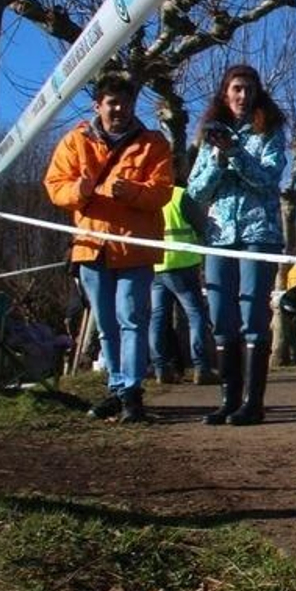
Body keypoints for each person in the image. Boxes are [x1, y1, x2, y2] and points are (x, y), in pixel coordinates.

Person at [43, 72, 174, 422]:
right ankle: (116, 389)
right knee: (106, 323)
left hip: (134, 248)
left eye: (126, 103)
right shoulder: (75, 142)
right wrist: (80, 191)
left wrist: (130, 192)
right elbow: (55, 186)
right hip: (91, 246)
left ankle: (132, 391)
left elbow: (162, 190)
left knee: (132, 317)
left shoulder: (153, 144)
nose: (119, 109)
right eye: (112, 103)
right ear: (98, 105)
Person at [187, 63, 287, 425]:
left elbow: (268, 178)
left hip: (259, 235)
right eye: (236, 89)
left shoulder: (270, 131)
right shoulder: (210, 133)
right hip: (219, 237)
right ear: (225, 93)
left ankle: (252, 402)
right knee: (221, 318)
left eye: (248, 89)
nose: (242, 96)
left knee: (252, 318)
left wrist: (236, 153)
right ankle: (228, 399)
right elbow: (196, 189)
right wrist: (216, 156)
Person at [149, 170, 216, 386]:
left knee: (158, 318)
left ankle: (161, 368)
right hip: (183, 263)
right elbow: (202, 227)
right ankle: (201, 367)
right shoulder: (180, 195)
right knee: (196, 315)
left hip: (156, 264)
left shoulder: (149, 195)